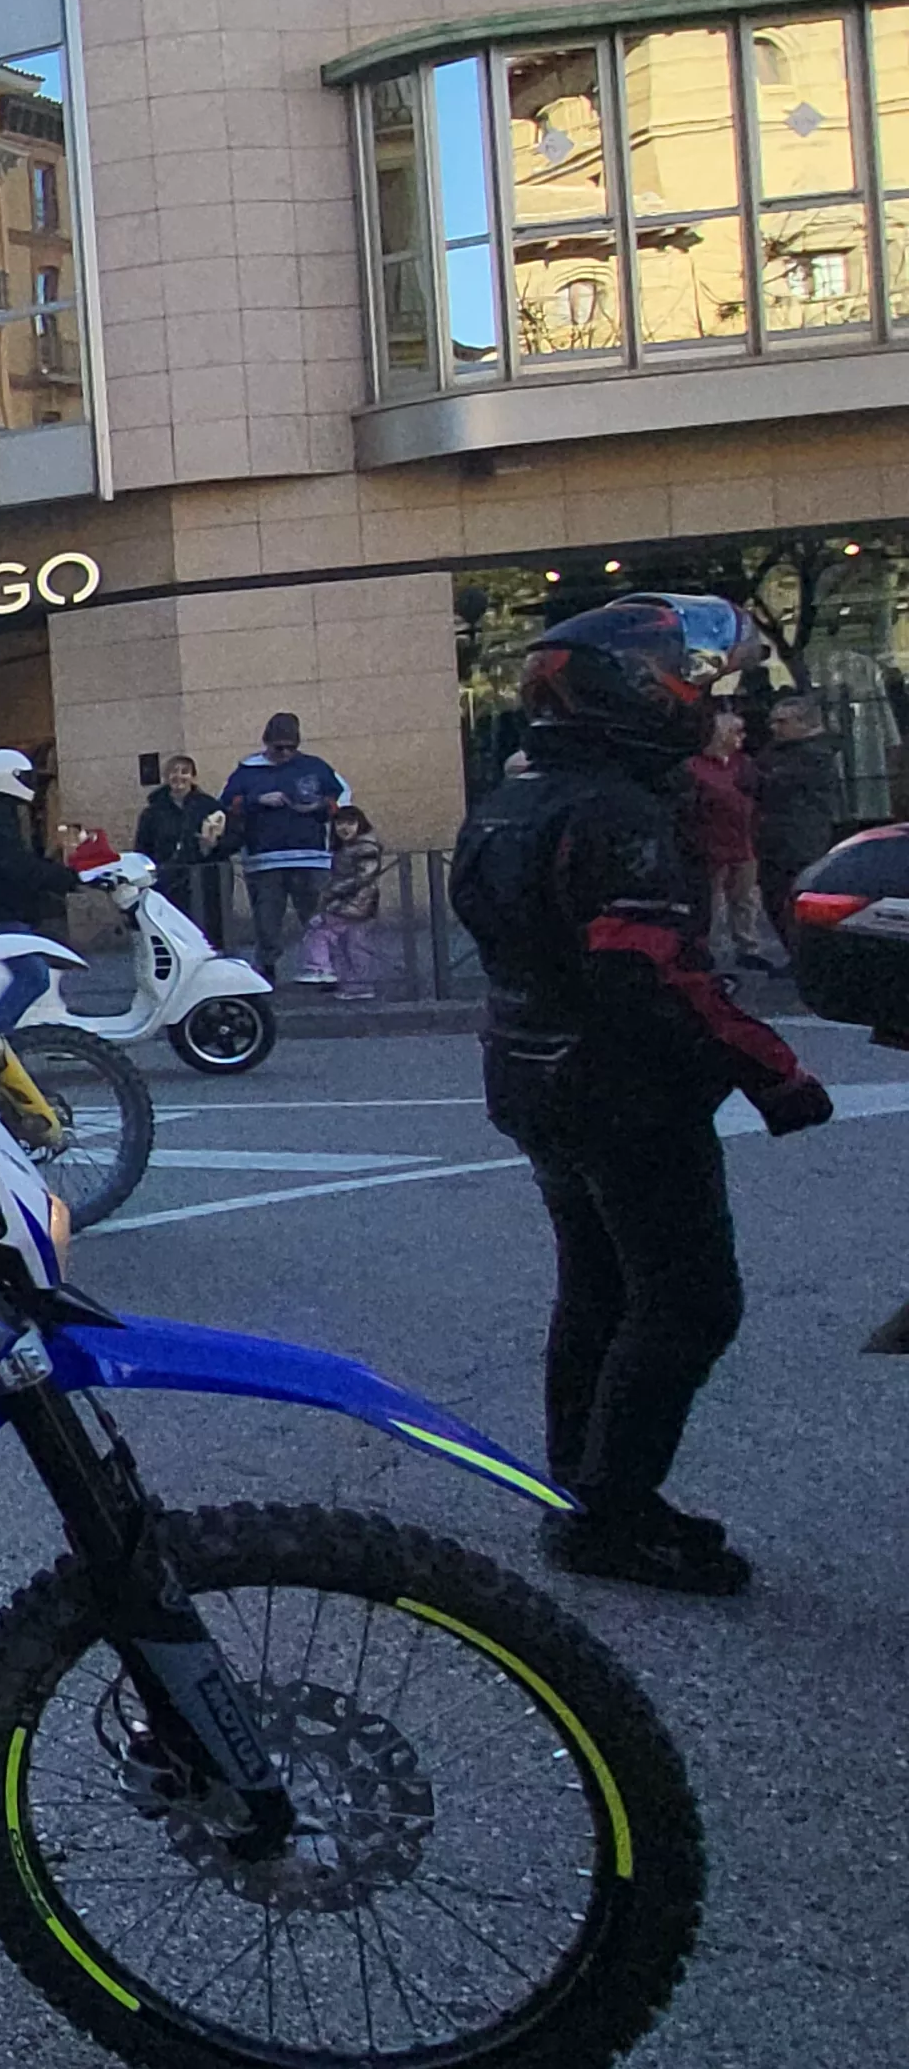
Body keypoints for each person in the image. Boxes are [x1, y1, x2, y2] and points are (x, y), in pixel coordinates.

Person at [454, 596, 828, 1596]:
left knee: (597, 1285)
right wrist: (774, 1071)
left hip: (530, 1069)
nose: (714, 710)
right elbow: (651, 973)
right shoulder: (615, 812)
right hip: (622, 1089)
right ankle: (612, 1512)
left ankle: (583, 1490)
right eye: (701, 691)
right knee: (689, 1300)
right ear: (639, 695)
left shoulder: (511, 799)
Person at [0, 749, 88, 1022]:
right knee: (35, 976)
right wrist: (68, 878)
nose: (29, 783)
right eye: (23, 777)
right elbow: (15, 865)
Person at [222, 713, 348, 978]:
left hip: (311, 856)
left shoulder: (315, 767)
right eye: (279, 747)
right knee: (266, 921)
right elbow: (226, 806)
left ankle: (324, 966)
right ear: (267, 743)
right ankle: (267, 968)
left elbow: (341, 800)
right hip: (264, 859)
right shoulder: (247, 771)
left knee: (317, 918)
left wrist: (320, 807)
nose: (285, 753)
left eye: (291, 747)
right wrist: (257, 800)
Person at [752, 691, 845, 948]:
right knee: (775, 901)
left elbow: (770, 785)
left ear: (804, 723)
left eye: (782, 722)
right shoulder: (777, 750)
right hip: (774, 841)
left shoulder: (816, 754)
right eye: (773, 722)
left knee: (794, 902)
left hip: (800, 844)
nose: (774, 728)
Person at [682, 705, 772, 970]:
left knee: (744, 898)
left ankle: (747, 947)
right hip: (710, 842)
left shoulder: (744, 764)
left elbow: (759, 794)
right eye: (736, 731)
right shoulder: (694, 767)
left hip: (743, 840)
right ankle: (704, 947)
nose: (742, 737)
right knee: (710, 901)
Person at [132, 757, 233, 939]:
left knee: (207, 932)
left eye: (184, 772)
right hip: (167, 881)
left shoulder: (209, 806)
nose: (178, 776)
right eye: (173, 771)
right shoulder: (152, 812)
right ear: (166, 777)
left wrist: (213, 845)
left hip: (206, 880)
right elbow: (142, 848)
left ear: (193, 777)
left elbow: (232, 839)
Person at [296, 805, 388, 1000]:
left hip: (355, 902)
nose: (344, 828)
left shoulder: (365, 848)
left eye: (350, 823)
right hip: (355, 902)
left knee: (320, 929)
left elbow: (364, 876)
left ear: (360, 824)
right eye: (339, 823)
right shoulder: (348, 848)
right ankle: (356, 986)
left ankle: (320, 968)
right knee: (351, 944)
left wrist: (332, 891)